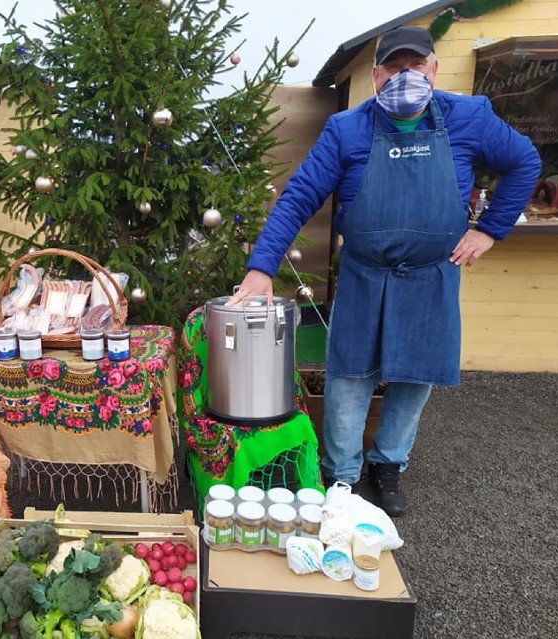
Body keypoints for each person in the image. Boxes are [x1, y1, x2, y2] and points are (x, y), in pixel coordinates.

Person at [228, 26, 541, 516]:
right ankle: (342, 473)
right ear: (376, 77)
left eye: (416, 67)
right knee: (349, 376)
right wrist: (261, 267)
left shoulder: (470, 118)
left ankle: (389, 462)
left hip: (431, 277)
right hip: (364, 275)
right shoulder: (346, 130)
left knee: (414, 377)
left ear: (434, 69)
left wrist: (490, 230)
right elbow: (297, 198)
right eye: (395, 68)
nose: (406, 76)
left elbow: (525, 161)